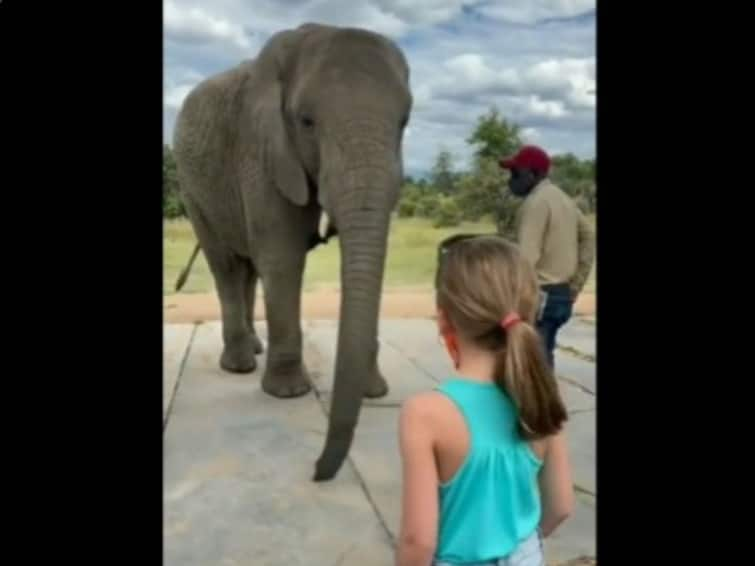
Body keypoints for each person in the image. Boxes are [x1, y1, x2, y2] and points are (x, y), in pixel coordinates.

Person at [395, 235, 574, 566]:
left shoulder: (425, 413)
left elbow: (417, 541)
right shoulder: (541, 392)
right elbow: (561, 505)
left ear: (444, 318)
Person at [498, 145, 595, 369]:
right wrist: (576, 284)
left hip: (539, 296)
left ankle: (538, 404)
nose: (511, 180)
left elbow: (526, 257)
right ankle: (542, 401)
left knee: (531, 365)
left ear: (534, 174)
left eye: (516, 174)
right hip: (561, 295)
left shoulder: (535, 203)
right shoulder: (563, 198)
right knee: (543, 356)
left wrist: (509, 298)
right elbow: (588, 237)